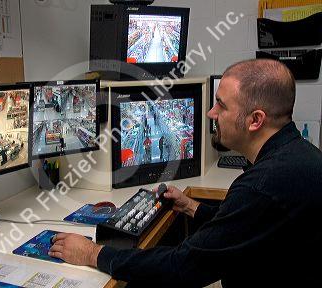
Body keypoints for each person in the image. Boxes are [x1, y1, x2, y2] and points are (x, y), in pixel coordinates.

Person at [48, 59, 322, 287]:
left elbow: (183, 267)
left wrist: (93, 253)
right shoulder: (299, 155)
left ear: (255, 120)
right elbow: (248, 224)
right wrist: (194, 208)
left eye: (221, 105)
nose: (211, 113)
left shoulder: (261, 185)